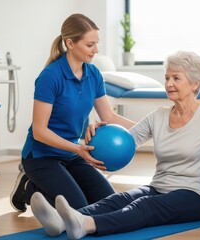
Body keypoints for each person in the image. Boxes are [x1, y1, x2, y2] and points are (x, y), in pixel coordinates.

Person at [29, 51, 200, 239]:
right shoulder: (159, 116)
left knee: (144, 207)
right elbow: (126, 140)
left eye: (176, 78)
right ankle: (62, 221)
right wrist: (99, 133)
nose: (169, 83)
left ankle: (86, 225)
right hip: (159, 187)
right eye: (167, 77)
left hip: (195, 197)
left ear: (195, 84)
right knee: (119, 200)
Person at [10, 13, 135, 212]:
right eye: (90, 44)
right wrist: (78, 149)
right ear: (70, 43)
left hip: (72, 153)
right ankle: (30, 186)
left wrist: (149, 128)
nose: (96, 50)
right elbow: (39, 132)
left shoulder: (93, 74)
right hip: (42, 156)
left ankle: (47, 185)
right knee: (79, 209)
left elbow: (109, 117)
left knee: (110, 204)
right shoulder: (50, 76)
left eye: (97, 43)